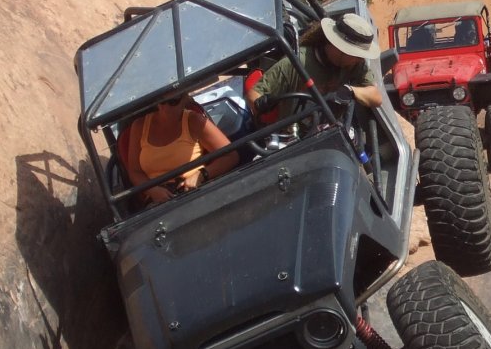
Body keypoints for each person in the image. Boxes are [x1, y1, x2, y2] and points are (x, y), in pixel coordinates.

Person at [246, 13, 384, 118]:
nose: (360, 60)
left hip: (333, 133)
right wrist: (267, 107)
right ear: (338, 48)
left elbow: (376, 97)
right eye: (356, 55)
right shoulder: (296, 63)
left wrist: (350, 90)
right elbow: (254, 94)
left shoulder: (354, 64)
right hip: (295, 138)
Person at [124, 96, 238, 206]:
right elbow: (135, 172)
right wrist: (153, 191)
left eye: (173, 102)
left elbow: (230, 156)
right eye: (161, 101)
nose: (166, 108)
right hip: (158, 201)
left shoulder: (194, 121)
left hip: (196, 191)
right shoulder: (139, 126)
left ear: (185, 99)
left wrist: (202, 174)